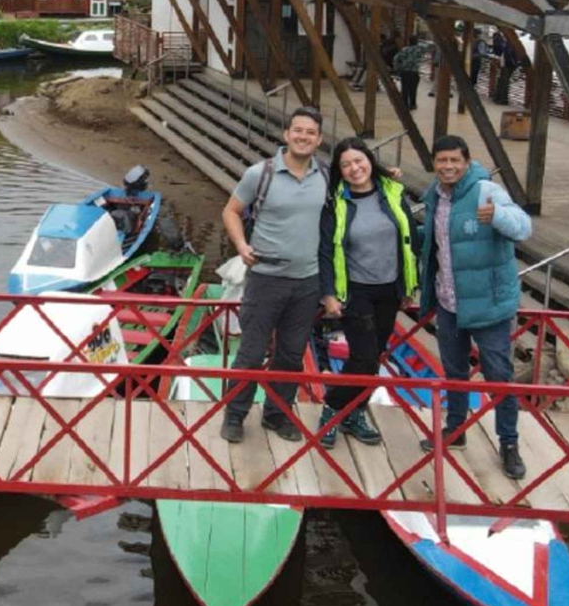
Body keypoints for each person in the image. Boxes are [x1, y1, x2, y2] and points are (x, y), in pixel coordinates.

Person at [417, 134, 533, 480]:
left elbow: (524, 228)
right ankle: (456, 430)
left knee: (500, 377)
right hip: (449, 301)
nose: (448, 166)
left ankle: (509, 443)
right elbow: (438, 244)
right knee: (454, 373)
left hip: (489, 305)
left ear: (466, 162)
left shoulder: (486, 191)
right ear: (434, 163)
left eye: (455, 160)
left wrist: (497, 215)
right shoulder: (434, 196)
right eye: (442, 161)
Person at [220, 106, 332, 444]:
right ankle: (235, 415)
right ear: (286, 135)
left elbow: (363, 175)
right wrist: (241, 245)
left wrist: (390, 173)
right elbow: (231, 211)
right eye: (297, 130)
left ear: (319, 139)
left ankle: (277, 415)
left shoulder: (325, 175)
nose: (303, 137)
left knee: (290, 355)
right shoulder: (261, 173)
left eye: (310, 132)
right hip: (266, 278)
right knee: (251, 353)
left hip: (306, 281)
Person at [314, 137, 421, 448]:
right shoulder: (335, 203)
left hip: (389, 289)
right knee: (363, 358)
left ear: (370, 161)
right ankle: (331, 410)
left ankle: (354, 413)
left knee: (374, 357)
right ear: (340, 170)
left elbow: (408, 237)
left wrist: (409, 283)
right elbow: (325, 251)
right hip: (356, 290)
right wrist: (329, 294)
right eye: (346, 164)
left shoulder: (392, 193)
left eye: (358, 161)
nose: (354, 168)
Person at [392, 38, 426, 109]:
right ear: (416, 42)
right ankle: (412, 104)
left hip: (405, 72)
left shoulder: (404, 50)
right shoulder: (419, 49)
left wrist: (397, 68)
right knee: (413, 89)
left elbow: (395, 58)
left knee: (405, 89)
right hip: (414, 72)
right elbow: (431, 46)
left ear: (409, 42)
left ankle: (405, 104)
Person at [493, 34, 522, 106]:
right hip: (508, 65)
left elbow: (505, 54)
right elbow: (509, 56)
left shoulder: (506, 44)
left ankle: (498, 98)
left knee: (502, 82)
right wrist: (515, 64)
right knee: (504, 83)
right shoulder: (510, 45)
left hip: (505, 65)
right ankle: (502, 99)